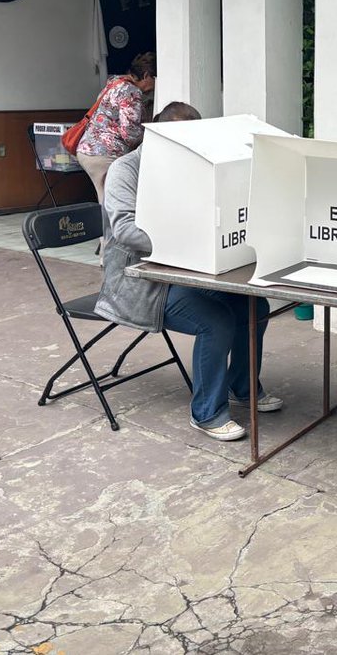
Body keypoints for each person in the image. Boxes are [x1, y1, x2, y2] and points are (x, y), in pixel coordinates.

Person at [96, 101, 283, 442]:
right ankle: (207, 413)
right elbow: (124, 230)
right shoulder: (127, 169)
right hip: (142, 283)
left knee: (253, 306)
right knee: (215, 321)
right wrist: (191, 242)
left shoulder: (188, 166)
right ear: (157, 134)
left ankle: (243, 388)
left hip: (188, 271)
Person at [76, 51, 157, 204]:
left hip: (88, 150)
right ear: (146, 75)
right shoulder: (131, 92)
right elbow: (130, 134)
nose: (154, 88)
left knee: (106, 201)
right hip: (106, 153)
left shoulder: (114, 82)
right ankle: (114, 228)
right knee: (116, 201)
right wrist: (150, 134)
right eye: (155, 80)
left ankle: (106, 227)